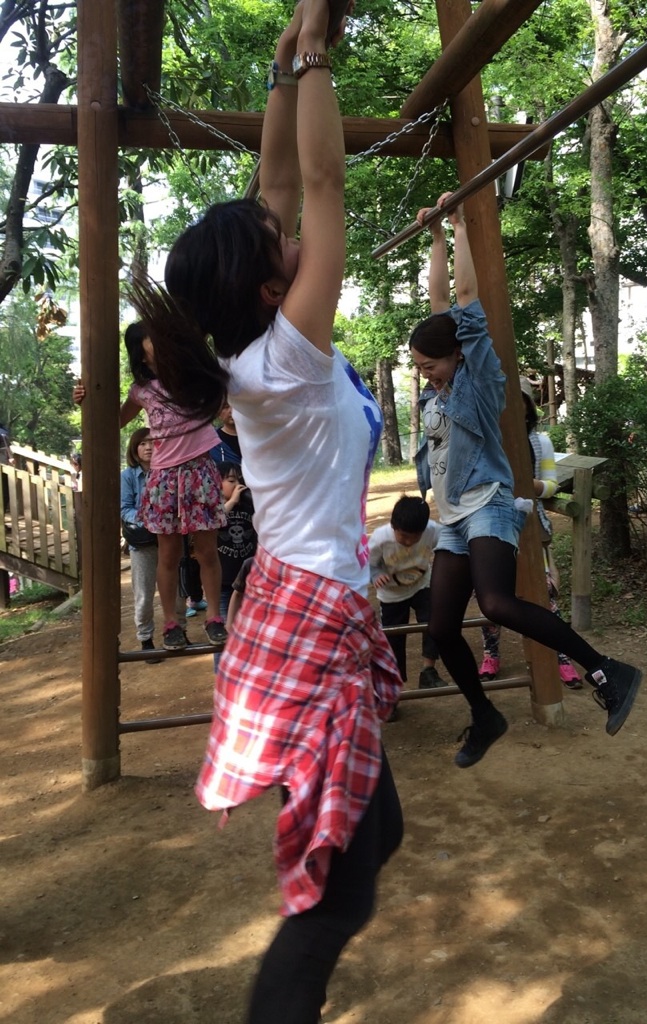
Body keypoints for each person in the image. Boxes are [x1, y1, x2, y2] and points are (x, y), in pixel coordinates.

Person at [127, 3, 403, 1022]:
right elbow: (323, 185)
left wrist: (284, 71)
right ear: (264, 281)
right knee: (340, 899)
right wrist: (322, 47)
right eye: (280, 243)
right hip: (312, 614)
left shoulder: (254, 351)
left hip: (297, 604)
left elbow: (283, 189)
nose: (290, 232)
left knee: (379, 835)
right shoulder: (286, 356)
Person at [410, 194, 642, 769]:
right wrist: (434, 235)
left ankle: (605, 670)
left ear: (457, 355)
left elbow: (464, 302)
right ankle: (484, 714)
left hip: (489, 502)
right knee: (441, 627)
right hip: (454, 516)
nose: (425, 374)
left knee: (496, 602)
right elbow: (439, 305)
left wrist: (460, 225)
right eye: (418, 367)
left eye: (429, 365)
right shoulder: (442, 386)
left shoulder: (480, 378)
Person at [74, 323, 229, 651]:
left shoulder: (191, 374)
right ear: (141, 354)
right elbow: (112, 421)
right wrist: (86, 401)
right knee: (169, 554)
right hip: (164, 478)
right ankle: (171, 623)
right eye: (153, 340)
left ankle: (215, 617)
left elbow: (219, 379)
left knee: (206, 551)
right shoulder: (141, 391)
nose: (162, 342)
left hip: (200, 472)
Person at [479, 377, 582, 689]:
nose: (511, 408)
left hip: (531, 527)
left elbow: (551, 484)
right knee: (493, 596)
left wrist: (529, 484)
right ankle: (491, 654)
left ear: (527, 407)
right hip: (492, 526)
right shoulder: (485, 439)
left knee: (546, 595)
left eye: (519, 402)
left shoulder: (541, 442)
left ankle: (561, 657)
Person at [369, 494, 444, 690]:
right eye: (403, 536)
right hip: (391, 594)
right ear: (393, 527)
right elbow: (368, 564)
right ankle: (395, 684)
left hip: (422, 585)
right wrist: (375, 575)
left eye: (414, 537)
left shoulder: (433, 530)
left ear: (423, 529)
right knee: (394, 639)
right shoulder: (380, 538)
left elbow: (447, 546)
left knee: (433, 623)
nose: (408, 542)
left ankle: (428, 671)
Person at [120, 427, 162, 662]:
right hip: (142, 541)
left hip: (169, 537)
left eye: (153, 442)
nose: (148, 447)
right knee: (144, 592)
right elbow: (124, 508)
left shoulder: (167, 472)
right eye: (143, 443)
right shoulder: (127, 476)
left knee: (178, 588)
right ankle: (146, 638)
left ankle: (179, 629)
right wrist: (147, 518)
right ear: (134, 449)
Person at [214, 460, 256, 670]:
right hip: (224, 583)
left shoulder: (248, 506)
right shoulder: (213, 508)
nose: (238, 484)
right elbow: (212, 522)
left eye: (240, 479)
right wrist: (231, 502)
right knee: (224, 635)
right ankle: (221, 674)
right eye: (231, 480)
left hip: (250, 582)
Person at [209, 401, 242, 466]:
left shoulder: (256, 437)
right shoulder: (214, 443)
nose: (231, 411)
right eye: (226, 407)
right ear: (218, 413)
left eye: (235, 406)